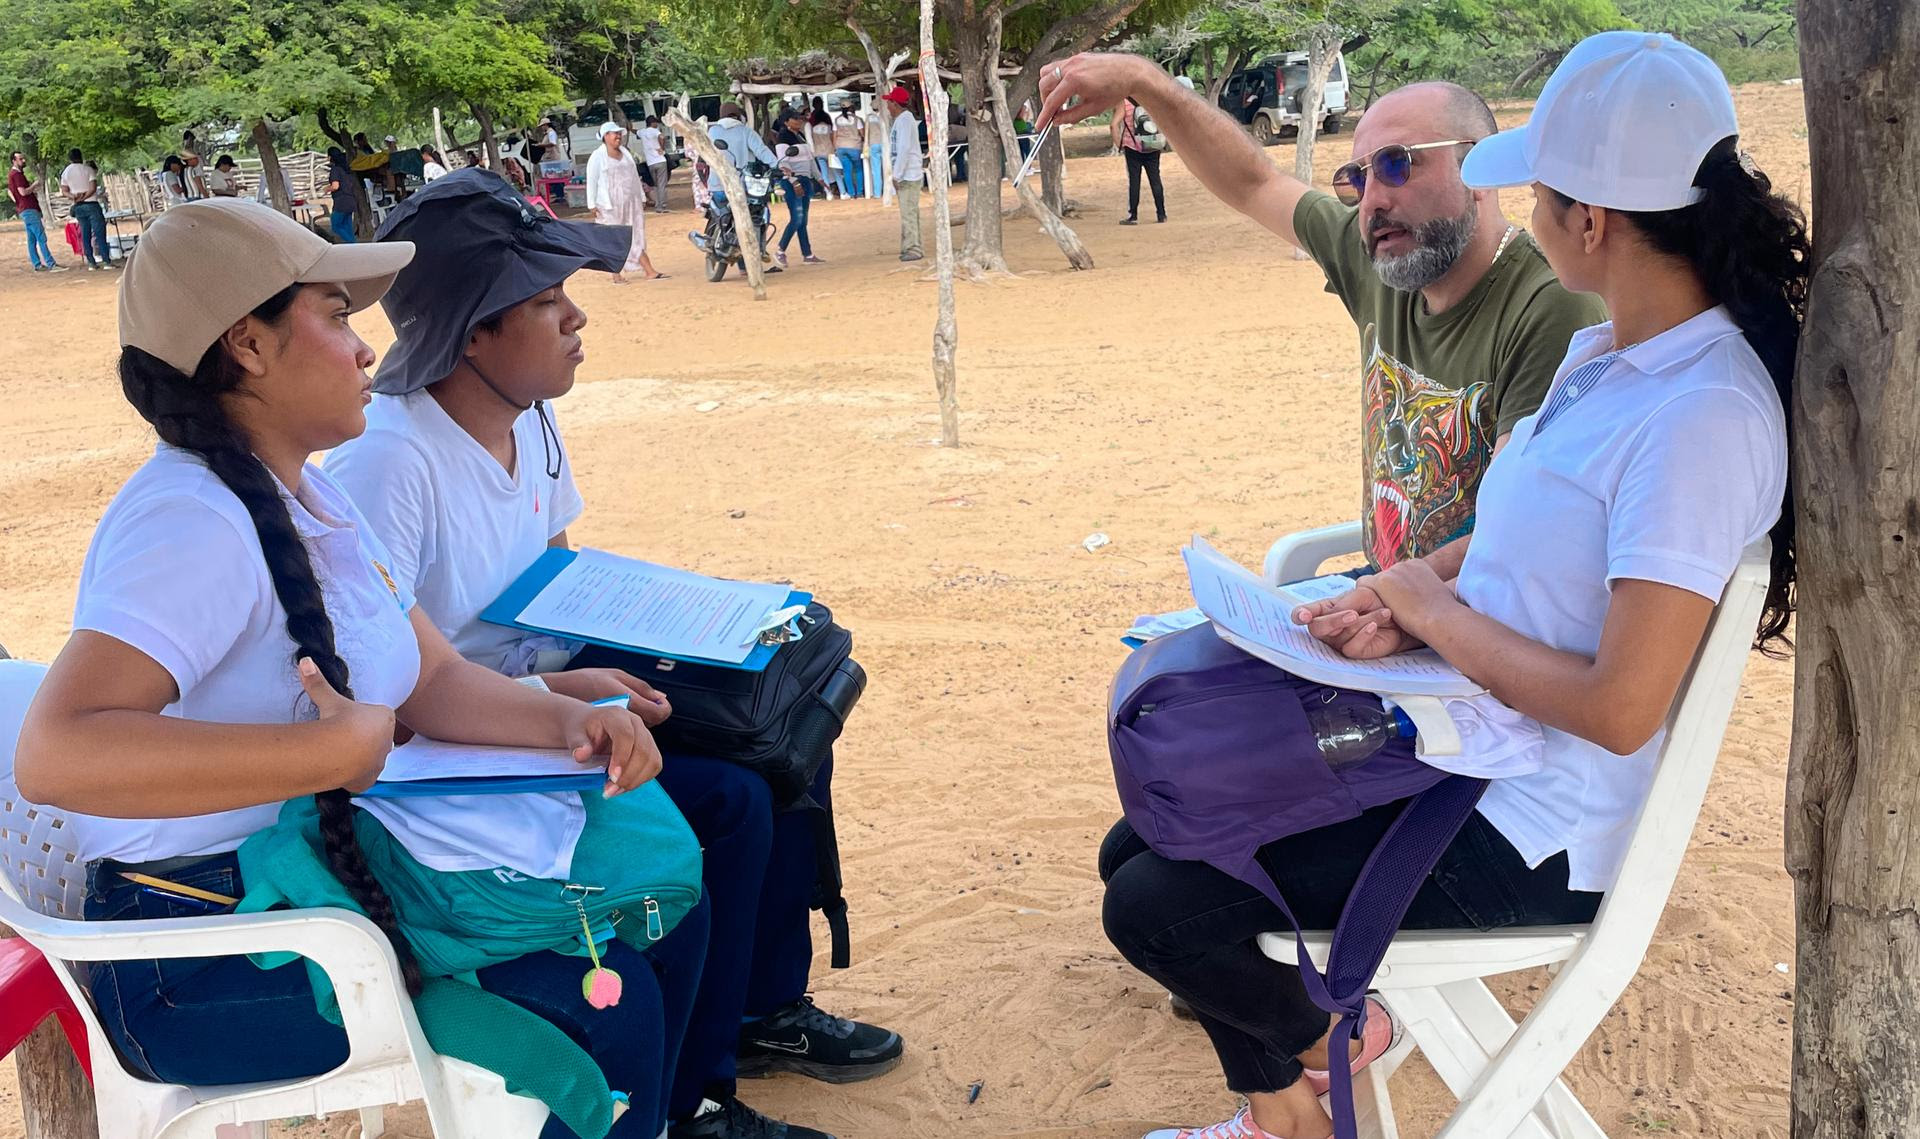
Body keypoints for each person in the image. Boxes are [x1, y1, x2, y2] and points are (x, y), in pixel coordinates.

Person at [1092, 33, 1803, 1139]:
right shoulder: (1614, 355)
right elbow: (1509, 528)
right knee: (1141, 838)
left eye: (1536, 187)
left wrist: (1428, 614)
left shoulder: (1699, 417)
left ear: (1593, 220)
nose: (1521, 207)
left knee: (1155, 898)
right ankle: (1297, 1093)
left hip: (1533, 825)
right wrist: (1405, 582)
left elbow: (1621, 708)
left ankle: (1294, 1099)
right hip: (1472, 740)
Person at [13, 197, 708, 1138]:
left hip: (310, 879)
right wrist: (326, 754)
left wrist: (561, 719)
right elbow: (59, 754)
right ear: (247, 346)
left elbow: (430, 679)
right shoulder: (192, 519)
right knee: (602, 998)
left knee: (653, 910)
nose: (367, 347)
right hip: (204, 951)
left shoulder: (314, 495)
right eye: (337, 317)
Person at [328, 170, 903, 1137]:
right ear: (472, 334)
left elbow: (554, 570)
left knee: (785, 729)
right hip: (469, 738)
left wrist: (685, 627)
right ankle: (698, 1095)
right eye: (546, 302)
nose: (577, 317)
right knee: (728, 803)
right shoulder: (388, 463)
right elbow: (403, 684)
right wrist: (561, 687)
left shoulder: (530, 414)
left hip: (554, 686)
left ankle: (761, 1011)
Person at [1038, 56, 1603, 575]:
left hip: (1471, 628)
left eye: (1397, 166)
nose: (1372, 200)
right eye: (1357, 178)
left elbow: (1513, 538)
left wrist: (1385, 603)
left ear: (1477, 168)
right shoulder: (1385, 255)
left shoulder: (1550, 306)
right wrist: (1147, 83)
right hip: (1388, 601)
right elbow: (1253, 181)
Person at [585, 122, 666, 283]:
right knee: (614, 237)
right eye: (614, 133)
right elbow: (592, 180)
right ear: (605, 137)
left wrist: (642, 197)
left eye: (619, 133)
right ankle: (616, 274)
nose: (618, 136)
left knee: (635, 234)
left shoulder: (625, 153)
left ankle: (649, 270)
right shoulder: (597, 156)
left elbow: (635, 177)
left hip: (630, 201)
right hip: (609, 204)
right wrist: (591, 204)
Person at [706, 102, 780, 269]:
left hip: (717, 185)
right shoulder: (746, 131)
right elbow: (762, 151)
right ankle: (760, 250)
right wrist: (777, 166)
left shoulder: (712, 131)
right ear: (738, 116)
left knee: (730, 214)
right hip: (743, 187)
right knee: (762, 212)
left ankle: (741, 261)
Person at [881, 87, 923, 262]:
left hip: (908, 174)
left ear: (895, 104)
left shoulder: (905, 120)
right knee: (909, 212)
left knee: (909, 213)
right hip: (907, 173)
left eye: (889, 102)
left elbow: (904, 148)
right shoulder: (902, 119)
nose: (888, 106)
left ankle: (914, 248)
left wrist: (897, 175)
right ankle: (909, 245)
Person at [1111, 96, 1166, 225]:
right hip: (1152, 146)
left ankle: (1133, 215)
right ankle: (1161, 214)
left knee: (1134, 181)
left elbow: (1113, 126)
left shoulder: (1124, 102)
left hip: (1132, 148)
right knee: (1155, 180)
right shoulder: (1151, 99)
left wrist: (1120, 145)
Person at [9, 151, 63, 272]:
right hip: (28, 208)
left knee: (32, 239)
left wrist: (20, 199)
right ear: (14, 160)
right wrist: (34, 185)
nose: (23, 161)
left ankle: (37, 264)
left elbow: (13, 192)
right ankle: (51, 263)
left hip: (24, 209)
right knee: (40, 236)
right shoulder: (17, 175)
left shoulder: (14, 175)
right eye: (20, 159)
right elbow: (23, 192)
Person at [772, 137, 823, 267]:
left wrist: (819, 178)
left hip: (805, 181)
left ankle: (808, 254)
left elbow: (811, 161)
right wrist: (793, 181)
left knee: (802, 221)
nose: (799, 121)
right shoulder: (783, 139)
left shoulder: (800, 136)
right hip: (792, 183)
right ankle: (780, 250)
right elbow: (783, 165)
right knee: (797, 218)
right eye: (795, 118)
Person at [59, 148, 112, 270]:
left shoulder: (66, 173)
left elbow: (64, 190)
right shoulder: (88, 170)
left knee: (85, 233)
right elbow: (93, 188)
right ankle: (106, 261)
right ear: (81, 157)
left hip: (78, 205)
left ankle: (91, 262)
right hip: (91, 203)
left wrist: (74, 197)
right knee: (99, 232)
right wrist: (85, 196)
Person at [831, 100, 865, 200]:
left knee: (847, 171)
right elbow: (862, 134)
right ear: (852, 108)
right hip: (854, 146)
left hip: (840, 147)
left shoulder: (837, 120)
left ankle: (850, 193)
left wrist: (835, 148)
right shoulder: (857, 119)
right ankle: (859, 193)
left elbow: (834, 135)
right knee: (858, 169)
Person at [807, 106, 841, 201]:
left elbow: (813, 140)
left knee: (824, 174)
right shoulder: (829, 127)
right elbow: (832, 138)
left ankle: (828, 193)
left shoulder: (813, 128)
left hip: (819, 152)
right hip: (829, 152)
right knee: (836, 173)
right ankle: (842, 192)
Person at [325, 147, 357, 244]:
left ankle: (352, 243)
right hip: (351, 200)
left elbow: (335, 186)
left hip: (341, 202)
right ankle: (354, 247)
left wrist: (327, 189)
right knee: (347, 226)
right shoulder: (346, 169)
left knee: (336, 225)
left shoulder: (335, 169)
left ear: (330, 157)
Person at [638, 116, 671, 211]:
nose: (657, 124)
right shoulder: (654, 130)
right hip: (660, 160)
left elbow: (635, 131)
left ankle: (658, 203)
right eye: (656, 122)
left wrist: (629, 126)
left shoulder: (642, 132)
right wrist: (662, 148)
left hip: (650, 163)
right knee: (662, 184)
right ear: (652, 123)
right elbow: (662, 137)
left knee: (656, 185)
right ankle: (661, 205)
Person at [180, 130, 207, 198]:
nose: (191, 142)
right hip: (196, 191)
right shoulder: (187, 154)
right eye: (190, 140)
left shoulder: (194, 152)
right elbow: (196, 178)